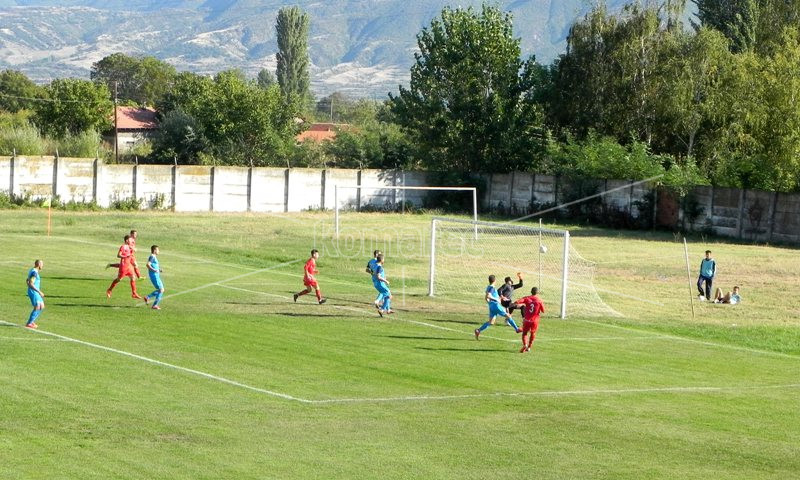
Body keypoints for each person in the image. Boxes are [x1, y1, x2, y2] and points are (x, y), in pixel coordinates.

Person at [474, 274, 522, 340]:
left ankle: (478, 330)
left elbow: (486, 298)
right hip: (496, 305)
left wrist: (496, 300)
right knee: (508, 316)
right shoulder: (492, 288)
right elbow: (488, 296)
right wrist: (496, 299)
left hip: (491, 306)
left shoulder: (488, 287)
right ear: (495, 280)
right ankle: (517, 329)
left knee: (491, 322)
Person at [106, 234, 142, 299]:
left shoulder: (130, 247)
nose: (131, 241)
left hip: (129, 266)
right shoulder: (123, 247)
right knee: (118, 279)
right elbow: (118, 255)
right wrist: (125, 256)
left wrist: (133, 249)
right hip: (123, 266)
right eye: (130, 240)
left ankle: (134, 293)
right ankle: (109, 290)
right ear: (127, 240)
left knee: (133, 278)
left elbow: (135, 250)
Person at [514, 287, 545, 353]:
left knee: (524, 333)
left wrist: (514, 303)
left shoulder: (527, 298)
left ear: (531, 291)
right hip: (535, 321)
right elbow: (543, 311)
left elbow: (518, 301)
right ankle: (529, 347)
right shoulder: (539, 300)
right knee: (533, 333)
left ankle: (525, 344)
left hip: (527, 320)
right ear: (537, 293)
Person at [143, 245, 164, 310]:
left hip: (156, 275)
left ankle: (148, 297)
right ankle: (154, 304)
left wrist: (159, 269)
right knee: (161, 290)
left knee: (161, 290)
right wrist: (154, 270)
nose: (159, 251)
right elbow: (147, 265)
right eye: (158, 250)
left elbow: (153, 265)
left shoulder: (154, 256)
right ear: (154, 250)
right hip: (154, 275)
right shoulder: (152, 256)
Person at [25, 260, 45, 329]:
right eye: (42, 264)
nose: (42, 266)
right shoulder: (34, 272)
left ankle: (32, 321)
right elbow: (31, 283)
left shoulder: (33, 270)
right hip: (34, 292)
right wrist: (39, 291)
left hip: (35, 291)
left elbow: (27, 280)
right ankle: (29, 323)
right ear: (39, 264)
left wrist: (28, 283)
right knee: (37, 306)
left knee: (42, 306)